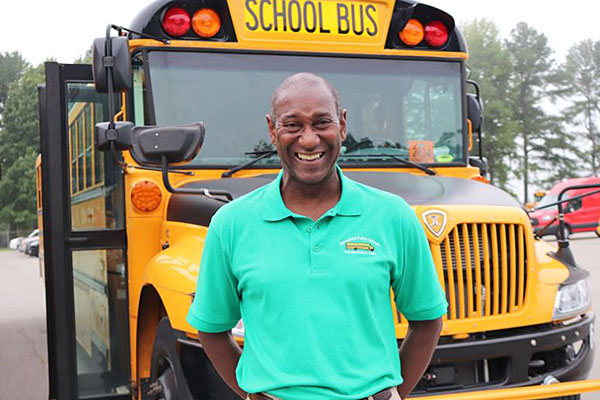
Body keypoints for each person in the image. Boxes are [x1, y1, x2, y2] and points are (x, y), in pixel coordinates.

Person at [186, 73, 447, 400]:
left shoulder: (393, 216)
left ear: (342, 124)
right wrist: (254, 393)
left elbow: (427, 319)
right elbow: (211, 328)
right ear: (271, 129)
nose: (309, 140)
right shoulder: (231, 224)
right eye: (292, 125)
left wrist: (391, 394)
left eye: (322, 122)